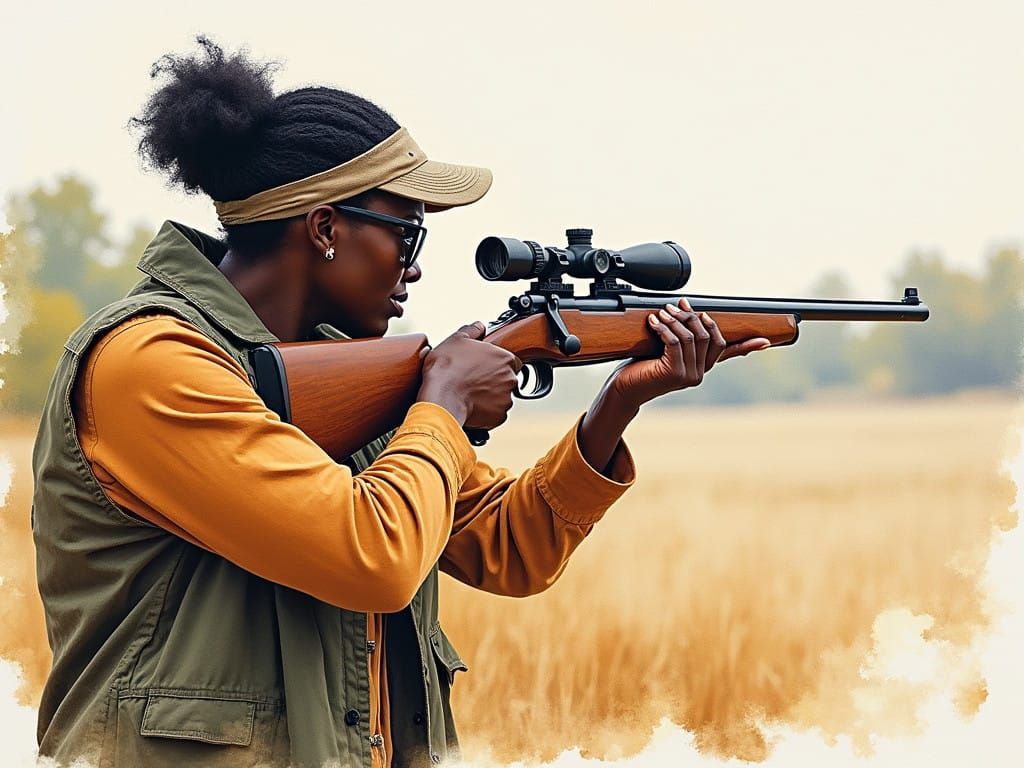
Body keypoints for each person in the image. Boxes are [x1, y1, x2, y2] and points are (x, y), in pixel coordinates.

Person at [30, 37, 770, 768]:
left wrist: (616, 407)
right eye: (407, 233)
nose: (414, 269)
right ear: (324, 229)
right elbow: (372, 556)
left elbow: (510, 548)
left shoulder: (340, 376)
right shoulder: (149, 364)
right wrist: (442, 406)